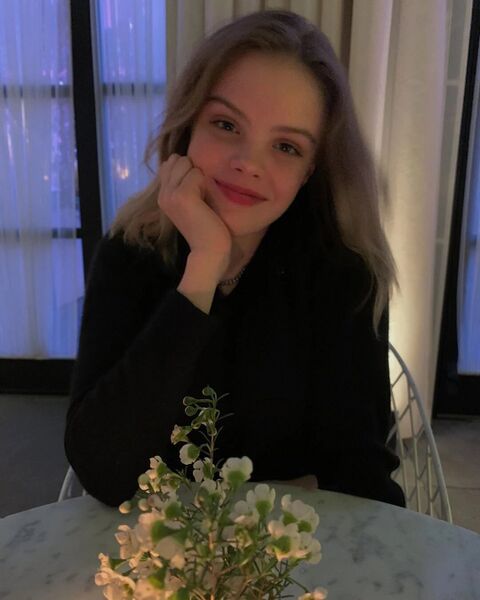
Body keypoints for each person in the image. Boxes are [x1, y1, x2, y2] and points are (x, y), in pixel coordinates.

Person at [64, 9, 406, 508]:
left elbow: (361, 477)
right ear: (188, 126)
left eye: (286, 146)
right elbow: (103, 469)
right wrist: (204, 266)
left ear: (310, 169)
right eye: (226, 124)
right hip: (151, 544)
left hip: (292, 542)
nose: (248, 163)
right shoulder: (130, 254)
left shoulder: (342, 274)